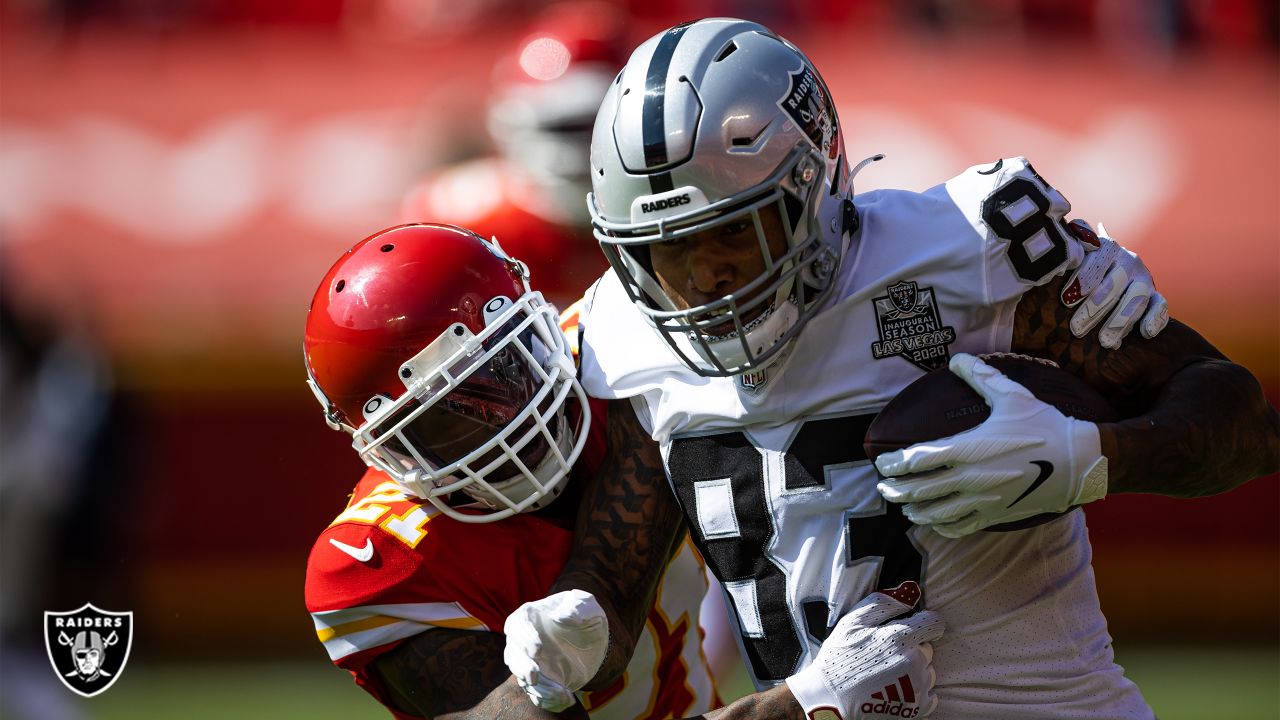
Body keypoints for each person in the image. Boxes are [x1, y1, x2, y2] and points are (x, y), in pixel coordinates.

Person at [501, 17, 1278, 720]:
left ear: (813, 184)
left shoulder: (968, 254)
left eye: (732, 238)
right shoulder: (623, 336)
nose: (705, 281)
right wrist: (559, 650)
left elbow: (1247, 422)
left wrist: (1092, 460)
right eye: (670, 255)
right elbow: (610, 590)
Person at [300, 223, 941, 719]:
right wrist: (803, 706)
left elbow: (605, 609)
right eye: (445, 421)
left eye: (500, 373)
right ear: (384, 448)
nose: (506, 428)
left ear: (539, 324)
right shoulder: (377, 565)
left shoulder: (623, 350)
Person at [399, 2, 621, 308]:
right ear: (508, 125)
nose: (576, 152)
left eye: (594, 125)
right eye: (562, 128)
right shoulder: (459, 221)